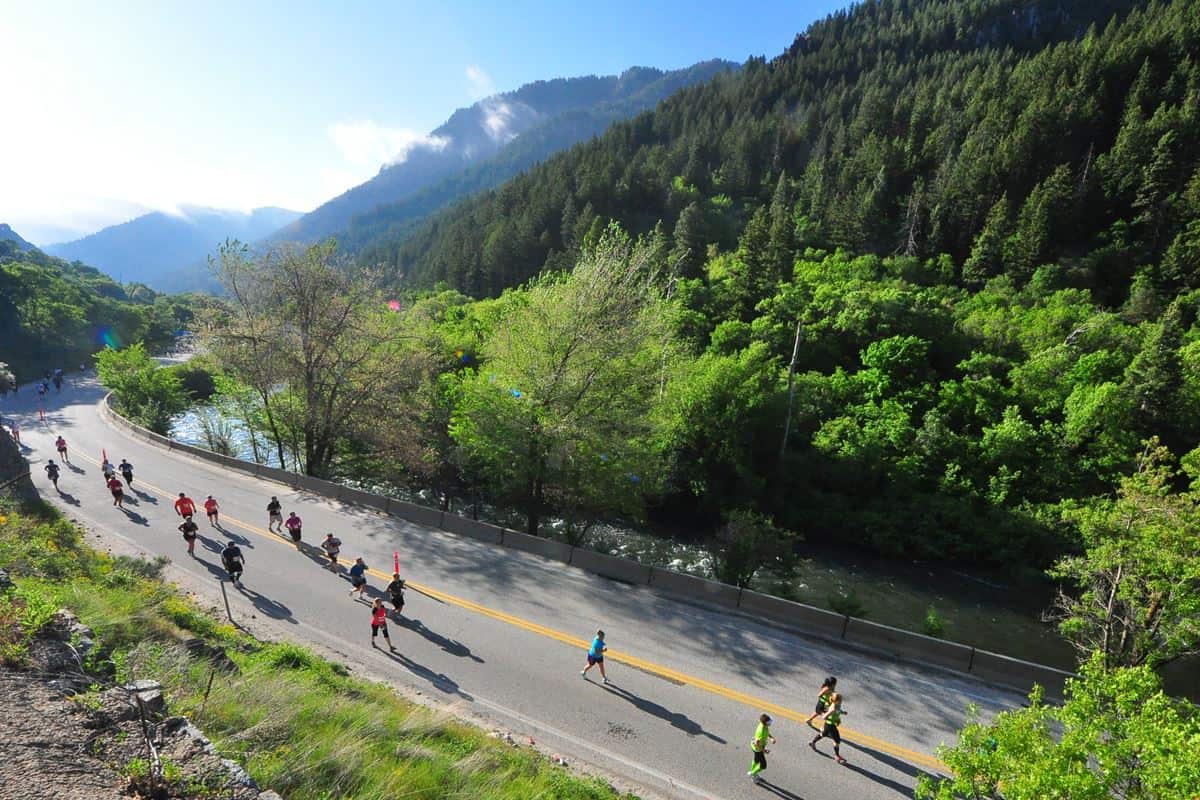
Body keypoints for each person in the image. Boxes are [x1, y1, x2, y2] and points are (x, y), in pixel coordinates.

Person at [809, 691, 846, 764]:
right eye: (841, 700)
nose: (842, 701)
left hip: (828, 725)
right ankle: (837, 756)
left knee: (823, 734)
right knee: (837, 740)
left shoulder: (836, 705)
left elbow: (838, 711)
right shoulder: (833, 708)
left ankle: (812, 742)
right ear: (837, 701)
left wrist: (843, 712)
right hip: (830, 726)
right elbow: (824, 716)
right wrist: (830, 718)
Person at [748, 713, 776, 783]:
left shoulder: (763, 725)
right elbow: (757, 743)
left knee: (756, 760)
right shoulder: (761, 731)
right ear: (766, 723)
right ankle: (752, 774)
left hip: (756, 747)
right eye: (769, 722)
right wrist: (764, 750)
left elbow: (767, 732)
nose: (770, 723)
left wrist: (771, 737)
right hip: (758, 749)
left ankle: (753, 772)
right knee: (763, 765)